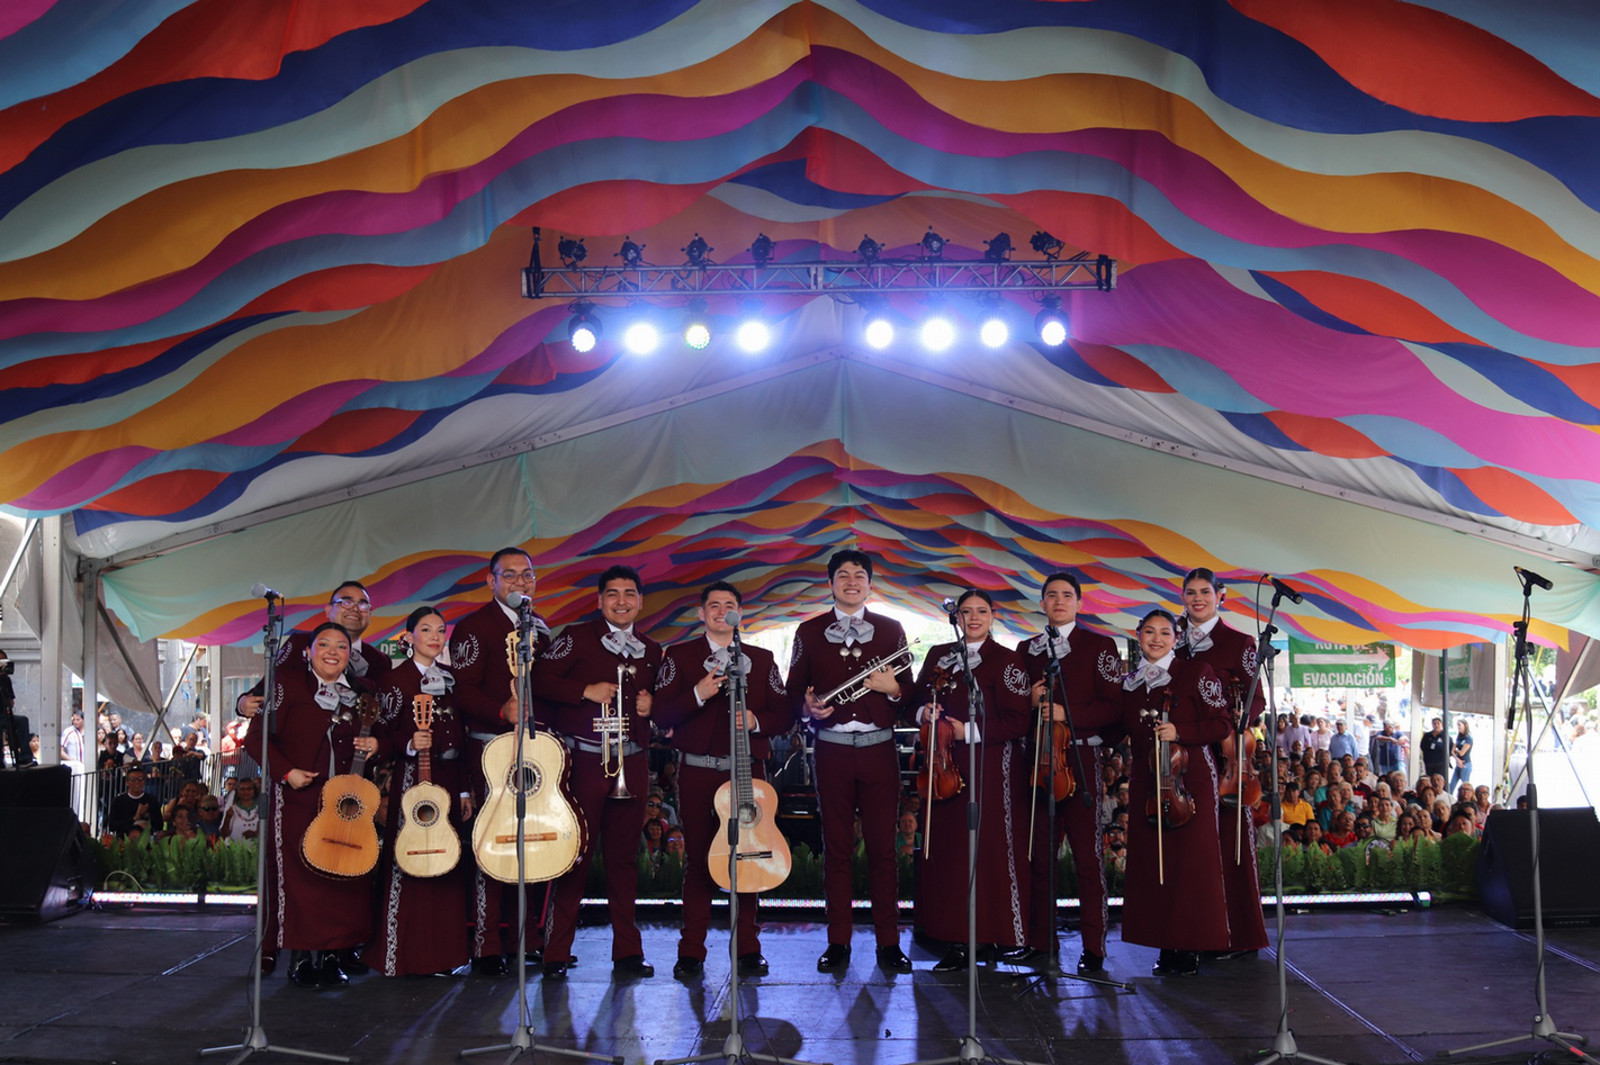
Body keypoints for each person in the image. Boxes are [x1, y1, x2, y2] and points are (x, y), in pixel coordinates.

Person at [652, 581, 792, 980]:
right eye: (712, 605)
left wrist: (756, 720)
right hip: (698, 771)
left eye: (728, 605)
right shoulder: (678, 657)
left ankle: (748, 948)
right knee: (700, 862)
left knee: (748, 858)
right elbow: (661, 716)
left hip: (749, 774)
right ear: (701, 613)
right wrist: (697, 693)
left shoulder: (762, 660)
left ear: (739, 614)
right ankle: (692, 951)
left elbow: (786, 715)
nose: (720, 611)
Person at [787, 549, 913, 974]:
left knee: (882, 850)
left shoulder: (892, 629)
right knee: (837, 849)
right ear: (831, 584)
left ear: (870, 583)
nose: (852, 581)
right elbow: (792, 693)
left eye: (860, 575)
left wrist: (892, 687)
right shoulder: (808, 630)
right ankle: (837, 941)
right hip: (832, 750)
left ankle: (888, 943)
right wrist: (806, 707)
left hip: (880, 750)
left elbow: (909, 696)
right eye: (843, 575)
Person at [534, 564, 662, 980]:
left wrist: (650, 707)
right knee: (575, 856)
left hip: (634, 760)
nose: (621, 601)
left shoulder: (653, 649)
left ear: (640, 601)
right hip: (586, 759)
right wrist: (583, 691)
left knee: (625, 860)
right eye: (613, 594)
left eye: (629, 593)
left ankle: (627, 952)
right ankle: (556, 952)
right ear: (600, 600)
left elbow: (670, 699)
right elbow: (537, 678)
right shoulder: (575, 636)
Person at [242, 622, 383, 989]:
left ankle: (334, 955)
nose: (333, 651)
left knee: (343, 876)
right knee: (301, 878)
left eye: (341, 646)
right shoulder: (285, 685)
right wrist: (286, 772)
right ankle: (302, 957)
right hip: (298, 795)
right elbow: (255, 738)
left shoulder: (363, 691)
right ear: (308, 651)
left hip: (345, 801)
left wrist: (376, 746)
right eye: (324, 644)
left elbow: (376, 737)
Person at [910, 589, 1033, 972]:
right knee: (949, 851)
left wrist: (969, 731)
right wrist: (923, 712)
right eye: (966, 612)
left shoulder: (1008, 661)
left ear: (993, 615)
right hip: (942, 765)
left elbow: (1018, 721)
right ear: (957, 617)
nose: (973, 618)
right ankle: (955, 938)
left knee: (989, 850)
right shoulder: (937, 655)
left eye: (981, 611)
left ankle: (991, 937)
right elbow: (912, 699)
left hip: (991, 765)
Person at [447, 547, 551, 977]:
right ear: (491, 582)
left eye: (527, 575)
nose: (520, 582)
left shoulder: (541, 629)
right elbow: (461, 690)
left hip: (535, 752)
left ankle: (526, 939)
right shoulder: (473, 627)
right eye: (509, 575)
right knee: (492, 845)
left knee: (535, 844)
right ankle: (487, 943)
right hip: (489, 749)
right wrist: (500, 710)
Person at [1016, 571, 1124, 973]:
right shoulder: (1027, 649)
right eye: (1051, 596)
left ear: (1079, 602)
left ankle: (1094, 947)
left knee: (1087, 859)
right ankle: (1039, 941)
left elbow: (1114, 708)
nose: (1059, 601)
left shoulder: (1100, 646)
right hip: (1039, 763)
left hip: (1081, 761)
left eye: (1066, 595)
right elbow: (1012, 706)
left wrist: (1068, 714)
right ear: (1041, 604)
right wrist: (1030, 699)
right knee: (1038, 856)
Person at [1120, 608, 1231, 976]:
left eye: (1164, 632)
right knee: (1155, 864)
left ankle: (1191, 944)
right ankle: (1166, 942)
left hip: (1189, 780)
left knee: (1190, 865)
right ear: (1138, 636)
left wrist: (1178, 730)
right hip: (1148, 781)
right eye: (1149, 632)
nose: (1156, 639)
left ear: (1177, 637)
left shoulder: (1197, 673)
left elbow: (1221, 722)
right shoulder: (1131, 681)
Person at [367, 606, 472, 978]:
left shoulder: (451, 679)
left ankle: (443, 957)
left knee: (446, 864)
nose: (434, 636)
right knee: (407, 862)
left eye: (440, 630)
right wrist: (408, 743)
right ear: (409, 636)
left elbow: (460, 735)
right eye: (425, 630)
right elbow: (378, 735)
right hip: (412, 779)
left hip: (449, 776)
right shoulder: (395, 681)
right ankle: (398, 955)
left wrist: (462, 792)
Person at [1178, 568, 1268, 958]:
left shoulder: (1240, 641)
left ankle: (1238, 934)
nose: (1197, 599)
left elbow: (1257, 700)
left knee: (1232, 844)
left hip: (1227, 758)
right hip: (1184, 760)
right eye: (1190, 592)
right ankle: (1194, 931)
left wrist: (1235, 715)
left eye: (1204, 592)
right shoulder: (1172, 641)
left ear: (1220, 596)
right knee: (1188, 847)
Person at [236, 581, 392, 718]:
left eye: (363, 604)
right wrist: (243, 703)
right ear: (328, 611)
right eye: (346, 602)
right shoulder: (300, 643)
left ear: (370, 615)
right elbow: (268, 685)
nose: (355, 609)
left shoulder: (379, 661)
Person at [107, 764, 165, 838]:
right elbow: (112, 826)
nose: (137, 782)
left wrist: (147, 816)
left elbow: (159, 825)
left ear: (144, 781)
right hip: (123, 841)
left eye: (140, 779)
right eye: (133, 779)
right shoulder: (118, 801)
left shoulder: (151, 800)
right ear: (127, 782)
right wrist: (134, 818)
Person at [220, 777, 261, 841]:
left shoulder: (261, 809)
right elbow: (224, 835)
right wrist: (227, 818)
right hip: (235, 849)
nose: (246, 791)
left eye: (249, 789)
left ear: (254, 791)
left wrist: (255, 833)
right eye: (242, 789)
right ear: (238, 792)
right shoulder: (232, 810)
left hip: (256, 849)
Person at [1419, 717, 1449, 783]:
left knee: (1439, 780)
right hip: (1429, 763)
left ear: (1441, 724)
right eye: (1434, 724)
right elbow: (1422, 746)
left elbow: (1450, 748)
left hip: (1440, 764)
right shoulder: (1427, 735)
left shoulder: (1445, 736)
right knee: (1430, 780)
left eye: (1438, 723)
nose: (1436, 725)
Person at [1449, 719, 1474, 790]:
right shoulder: (1459, 736)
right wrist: (1457, 759)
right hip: (1458, 763)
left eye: (1459, 725)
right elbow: (1452, 751)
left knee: (1465, 787)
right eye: (1457, 725)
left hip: (1465, 764)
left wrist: (1456, 750)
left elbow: (1462, 753)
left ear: (1465, 725)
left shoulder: (1468, 738)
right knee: (1451, 786)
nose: (1458, 727)